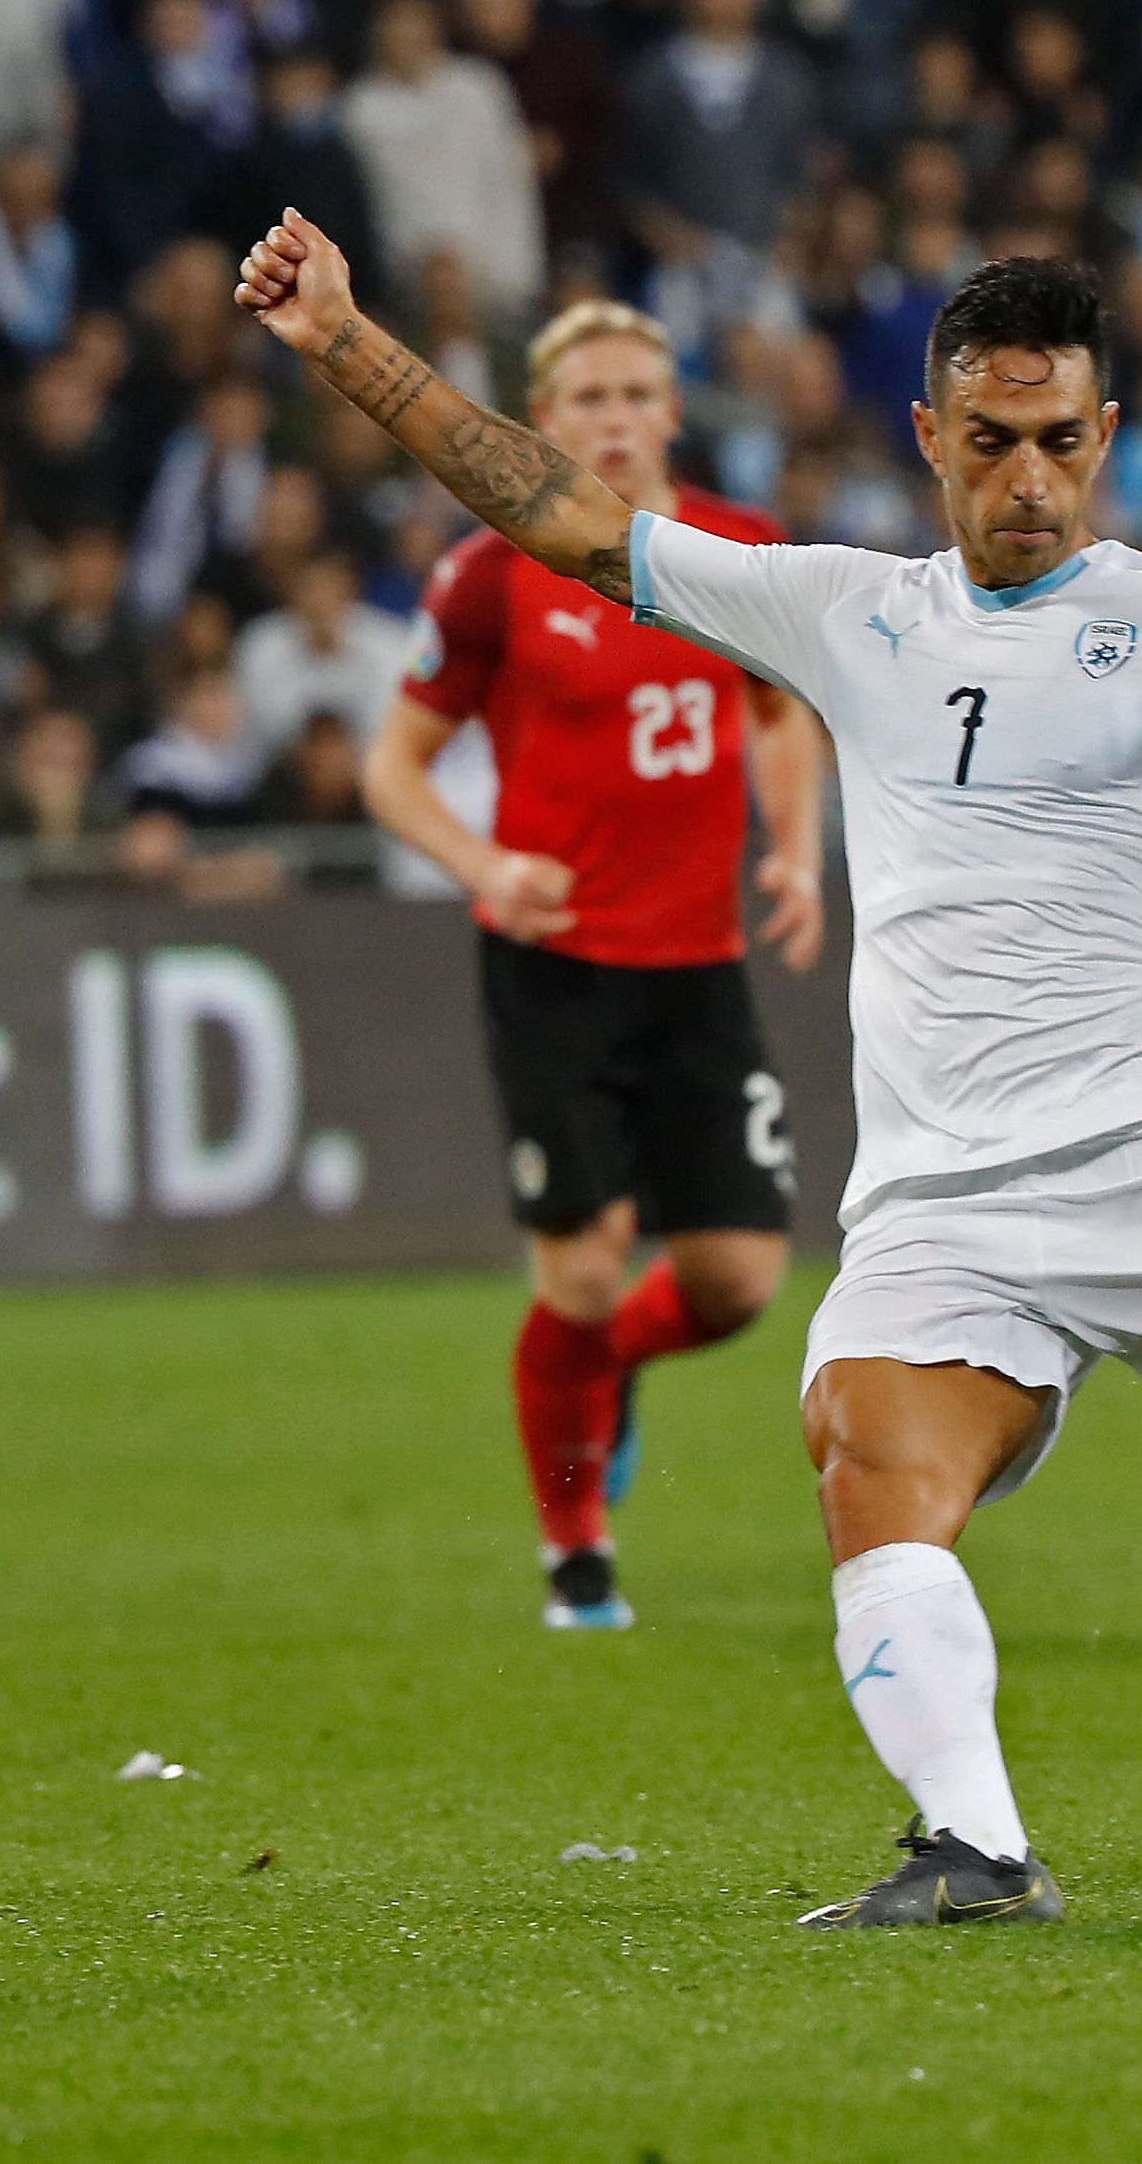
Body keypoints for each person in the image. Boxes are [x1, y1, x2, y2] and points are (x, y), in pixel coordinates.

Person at [237, 211, 1142, 1927]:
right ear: (929, 436)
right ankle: (976, 1853)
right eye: (990, 440)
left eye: (1058, 440)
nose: (1027, 479)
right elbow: (562, 515)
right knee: (863, 1446)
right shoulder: (843, 610)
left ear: (1103, 437)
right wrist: (345, 344)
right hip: (937, 1206)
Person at [362, 297, 826, 1632]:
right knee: (577, 1267)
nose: (614, 420)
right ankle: (576, 1554)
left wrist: (796, 852)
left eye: (634, 395)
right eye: (587, 399)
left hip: (697, 965)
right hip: (554, 967)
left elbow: (781, 711)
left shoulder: (740, 550)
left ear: (672, 412)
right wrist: (482, 864)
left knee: (738, 1281)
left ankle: (601, 1369)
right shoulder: (490, 574)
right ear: (541, 421)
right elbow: (393, 769)